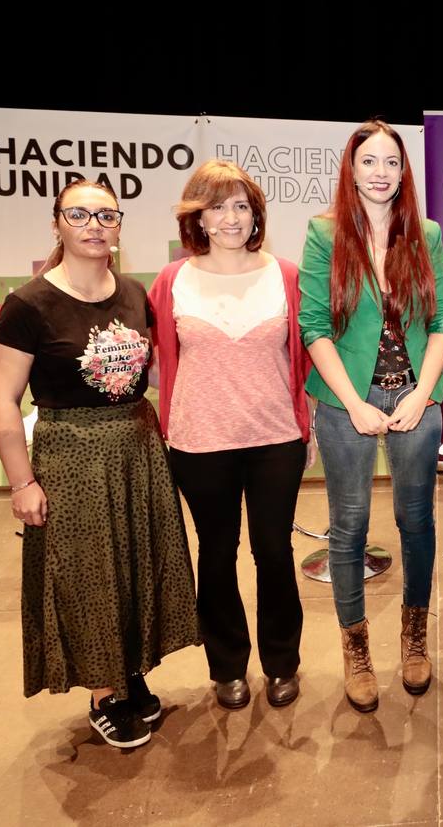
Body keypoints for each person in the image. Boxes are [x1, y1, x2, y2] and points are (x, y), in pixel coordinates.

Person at [0, 180, 198, 750]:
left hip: (137, 449)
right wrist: (22, 482)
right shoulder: (28, 305)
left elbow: (152, 371)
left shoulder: (133, 293)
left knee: (135, 566)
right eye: (79, 214)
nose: (94, 226)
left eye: (106, 216)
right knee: (88, 576)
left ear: (119, 226)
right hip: (71, 456)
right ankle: (104, 693)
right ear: (56, 222)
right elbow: (4, 401)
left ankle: (129, 671)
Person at [298, 120, 443, 712]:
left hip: (415, 397)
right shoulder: (325, 233)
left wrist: (421, 394)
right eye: (369, 161)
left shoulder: (426, 234)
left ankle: (414, 639)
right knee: (350, 525)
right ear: (352, 168)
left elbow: (441, 322)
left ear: (404, 171)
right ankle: (356, 649)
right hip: (347, 402)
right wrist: (353, 403)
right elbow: (314, 327)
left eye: (392, 161)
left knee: (417, 521)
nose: (381, 172)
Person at [149, 160, 312, 712]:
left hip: (275, 438)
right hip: (199, 443)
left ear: (256, 215)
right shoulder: (173, 280)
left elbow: (305, 357)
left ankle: (282, 663)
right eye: (217, 207)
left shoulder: (285, 275)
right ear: (198, 218)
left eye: (242, 206)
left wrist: (308, 423)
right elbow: (154, 359)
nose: (231, 218)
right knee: (216, 555)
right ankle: (227, 667)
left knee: (274, 551)